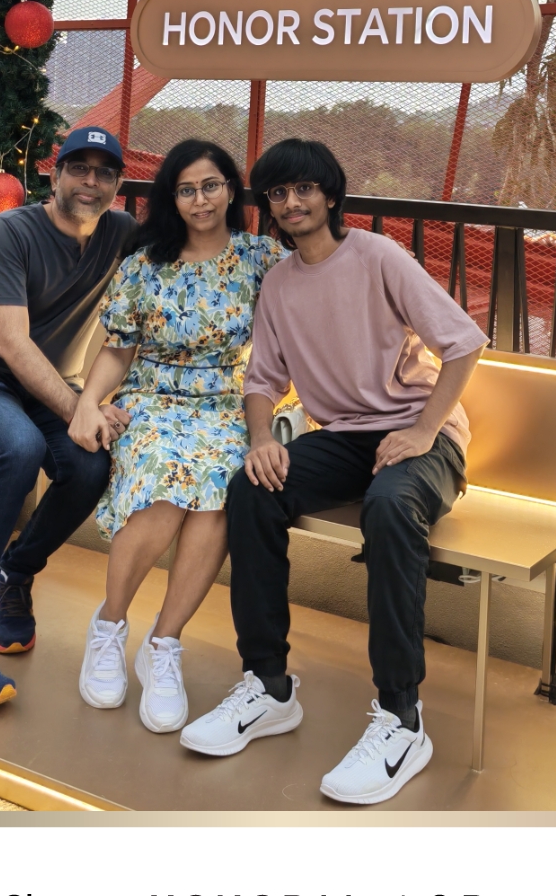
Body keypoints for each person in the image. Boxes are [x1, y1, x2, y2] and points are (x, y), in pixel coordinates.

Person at [180, 137, 487, 804]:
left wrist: (424, 429)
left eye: (304, 189)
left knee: (390, 506)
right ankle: (269, 686)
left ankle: (402, 718)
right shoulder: (280, 284)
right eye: (279, 193)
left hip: (422, 433)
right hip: (344, 436)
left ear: (331, 195)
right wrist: (260, 439)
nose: (292, 202)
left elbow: (464, 344)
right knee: (251, 489)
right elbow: (263, 380)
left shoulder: (379, 256)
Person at [0, 127, 141, 714]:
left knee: (90, 468)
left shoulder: (122, 233)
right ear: (54, 174)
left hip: (51, 388)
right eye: (78, 168)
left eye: (104, 172)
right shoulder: (10, 231)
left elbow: (189, 250)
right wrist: (81, 408)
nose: (90, 181)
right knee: (17, 450)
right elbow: (12, 345)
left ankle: (14, 574)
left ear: (118, 184)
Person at [68, 139, 283, 734]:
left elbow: (315, 300)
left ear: (230, 190)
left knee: (220, 493)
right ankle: (110, 626)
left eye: (210, 185)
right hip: (152, 397)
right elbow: (118, 349)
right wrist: (88, 402)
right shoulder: (146, 264)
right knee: (165, 482)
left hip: (226, 403)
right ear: (172, 197)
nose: (200, 199)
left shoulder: (260, 257)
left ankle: (163, 644)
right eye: (186, 189)